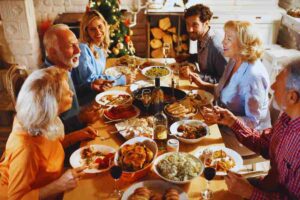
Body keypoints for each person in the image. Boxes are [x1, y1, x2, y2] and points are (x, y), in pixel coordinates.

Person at [203, 58, 300, 199]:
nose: (272, 87)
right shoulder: (286, 117)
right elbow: (265, 145)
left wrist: (249, 192)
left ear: (292, 97)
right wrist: (232, 122)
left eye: (277, 83)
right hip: (266, 186)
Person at [0, 68, 97, 200]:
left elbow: (48, 150)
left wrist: (79, 135)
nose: (71, 93)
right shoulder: (26, 148)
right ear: (51, 104)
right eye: (66, 92)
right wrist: (59, 185)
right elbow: (15, 198)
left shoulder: (42, 120)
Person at [190, 20, 271, 131]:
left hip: (243, 138)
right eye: (225, 37)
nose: (223, 42)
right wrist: (202, 84)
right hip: (223, 123)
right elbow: (224, 90)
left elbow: (253, 122)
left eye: (229, 39)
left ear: (243, 44)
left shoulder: (254, 76)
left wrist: (221, 118)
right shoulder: (234, 60)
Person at [43, 24, 100, 133]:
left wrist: (91, 86)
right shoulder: (46, 82)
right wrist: (81, 119)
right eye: (70, 46)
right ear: (52, 52)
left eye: (77, 45)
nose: (78, 51)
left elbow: (70, 98)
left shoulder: (63, 68)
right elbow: (48, 133)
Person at [72, 10, 136, 105]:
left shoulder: (99, 46)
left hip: (99, 93)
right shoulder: (83, 49)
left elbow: (99, 75)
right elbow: (91, 81)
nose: (98, 32)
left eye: (99, 26)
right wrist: (120, 80)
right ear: (86, 31)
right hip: (87, 101)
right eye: (92, 29)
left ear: (104, 26)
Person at [179, 4, 227, 83]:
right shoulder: (202, 36)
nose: (190, 29)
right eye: (188, 24)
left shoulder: (217, 47)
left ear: (206, 23)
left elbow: (225, 82)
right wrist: (188, 57)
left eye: (195, 25)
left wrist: (195, 74)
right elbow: (205, 58)